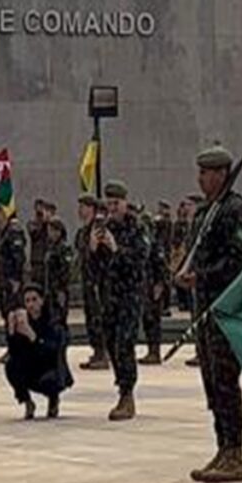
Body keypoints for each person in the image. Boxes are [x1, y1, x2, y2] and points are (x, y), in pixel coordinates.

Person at [175, 146, 242, 482]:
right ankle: (221, 446)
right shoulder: (206, 212)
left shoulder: (234, 210)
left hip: (224, 307)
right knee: (211, 382)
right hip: (204, 308)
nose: (201, 178)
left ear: (222, 173)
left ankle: (234, 452)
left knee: (225, 381)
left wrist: (201, 276)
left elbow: (237, 261)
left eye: (206, 172)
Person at [92, 180, 148, 420]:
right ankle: (122, 387)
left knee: (125, 343)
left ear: (125, 202)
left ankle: (127, 394)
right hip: (109, 296)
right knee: (113, 343)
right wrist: (93, 250)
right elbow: (92, 270)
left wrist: (116, 249)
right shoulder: (102, 227)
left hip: (130, 295)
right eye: (109, 203)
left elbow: (139, 261)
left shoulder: (137, 228)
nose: (112, 208)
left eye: (117, 203)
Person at [4, 284, 73, 419]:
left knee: (50, 379)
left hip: (51, 368)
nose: (31, 305)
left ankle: (53, 399)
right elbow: (15, 352)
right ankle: (27, 401)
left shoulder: (53, 321)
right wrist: (11, 333)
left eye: (34, 300)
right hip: (32, 366)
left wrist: (33, 336)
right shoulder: (24, 321)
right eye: (27, 301)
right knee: (11, 366)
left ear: (42, 301)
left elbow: (52, 350)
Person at [75, 194, 109, 370]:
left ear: (92, 209)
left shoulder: (97, 229)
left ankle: (103, 354)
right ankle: (96, 351)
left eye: (84, 206)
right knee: (90, 316)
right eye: (80, 205)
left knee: (98, 317)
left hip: (98, 280)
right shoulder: (83, 232)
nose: (80, 209)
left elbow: (103, 255)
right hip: (87, 279)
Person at [138, 203, 169, 366]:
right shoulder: (144, 243)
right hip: (145, 285)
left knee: (153, 320)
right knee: (147, 319)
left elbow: (161, 265)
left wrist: (160, 284)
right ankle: (151, 350)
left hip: (153, 286)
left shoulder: (155, 244)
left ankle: (155, 352)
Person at [0, 208, 26, 322]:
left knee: (14, 311)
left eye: (0, 213)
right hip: (2, 279)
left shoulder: (13, 232)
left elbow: (19, 257)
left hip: (11, 279)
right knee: (5, 311)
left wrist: (16, 278)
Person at [43, 218, 73, 330]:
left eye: (52, 230)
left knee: (59, 319)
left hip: (59, 290)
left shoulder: (64, 248)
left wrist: (61, 289)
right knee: (50, 320)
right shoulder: (51, 247)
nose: (50, 234)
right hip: (50, 289)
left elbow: (66, 270)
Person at [170, 198, 195, 313]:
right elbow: (175, 241)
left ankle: (187, 304)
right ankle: (183, 303)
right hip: (181, 255)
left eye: (189, 205)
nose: (186, 208)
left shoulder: (193, 223)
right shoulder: (178, 225)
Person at [27, 199, 50, 286]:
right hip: (36, 260)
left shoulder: (49, 224)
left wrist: (47, 222)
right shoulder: (32, 223)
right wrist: (43, 224)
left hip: (46, 260)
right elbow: (34, 234)